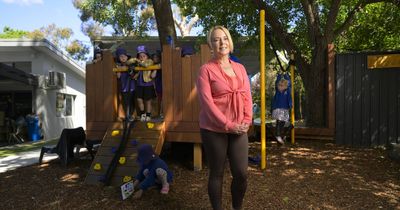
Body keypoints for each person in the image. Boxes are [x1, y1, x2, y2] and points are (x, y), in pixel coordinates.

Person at [196, 25, 253, 210]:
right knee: (217, 173)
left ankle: (238, 208)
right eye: (216, 39)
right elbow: (207, 103)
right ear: (211, 45)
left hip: (239, 128)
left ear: (230, 41)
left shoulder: (240, 68)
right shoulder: (206, 70)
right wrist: (227, 124)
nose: (221, 42)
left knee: (241, 174)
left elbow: (247, 96)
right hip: (214, 129)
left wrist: (246, 120)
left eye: (225, 38)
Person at [134, 45, 156, 122]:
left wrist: (139, 61)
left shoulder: (150, 61)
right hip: (139, 84)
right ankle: (143, 114)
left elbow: (146, 65)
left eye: (144, 55)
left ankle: (148, 115)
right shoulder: (137, 63)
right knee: (139, 99)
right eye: (140, 56)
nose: (142, 57)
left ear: (147, 56)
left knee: (148, 101)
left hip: (148, 84)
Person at [115, 48, 136, 121]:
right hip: (124, 86)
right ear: (119, 58)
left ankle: (131, 115)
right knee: (125, 101)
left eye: (124, 56)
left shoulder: (131, 64)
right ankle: (127, 116)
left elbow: (134, 74)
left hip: (132, 85)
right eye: (121, 57)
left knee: (132, 101)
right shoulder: (118, 66)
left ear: (127, 57)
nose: (123, 58)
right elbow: (118, 76)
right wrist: (118, 69)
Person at [271, 73, 293, 145]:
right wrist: (279, 76)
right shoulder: (278, 91)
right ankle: (278, 135)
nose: (280, 87)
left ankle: (281, 136)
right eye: (279, 85)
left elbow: (289, 84)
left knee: (284, 122)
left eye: (282, 85)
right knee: (279, 121)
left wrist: (287, 76)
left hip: (285, 109)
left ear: (286, 86)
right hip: (278, 108)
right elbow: (277, 82)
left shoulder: (287, 91)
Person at [152, 51, 163, 118]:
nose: (155, 58)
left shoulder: (163, 64)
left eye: (156, 57)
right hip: (158, 84)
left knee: (162, 99)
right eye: (154, 57)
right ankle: (158, 113)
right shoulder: (153, 65)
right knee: (159, 98)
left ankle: (161, 113)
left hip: (163, 83)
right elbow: (153, 76)